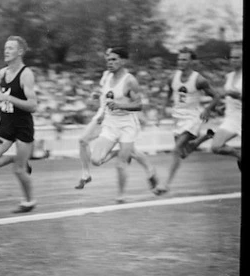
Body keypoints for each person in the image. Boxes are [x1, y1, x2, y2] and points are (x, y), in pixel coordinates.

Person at [75, 69, 160, 191]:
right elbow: (107, 94)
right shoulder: (106, 75)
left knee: (131, 151)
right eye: (108, 57)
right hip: (104, 114)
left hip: (120, 118)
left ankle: (150, 170)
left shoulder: (126, 78)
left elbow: (132, 101)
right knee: (82, 140)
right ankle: (86, 174)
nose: (109, 61)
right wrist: (97, 95)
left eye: (112, 58)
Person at [0, 36, 37, 213]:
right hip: (6, 123)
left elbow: (33, 105)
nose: (6, 51)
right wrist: (0, 106)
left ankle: (29, 201)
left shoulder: (26, 74)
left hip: (22, 125)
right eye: (5, 47)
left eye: (11, 48)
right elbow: (6, 98)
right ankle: (17, 159)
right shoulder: (2, 73)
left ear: (20, 51)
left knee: (19, 171)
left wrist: (7, 98)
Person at [153, 47, 220, 194]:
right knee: (183, 153)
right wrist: (161, 111)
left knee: (176, 149)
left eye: (184, 59)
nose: (180, 62)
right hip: (178, 117)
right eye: (179, 59)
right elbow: (169, 95)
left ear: (191, 61)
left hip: (192, 118)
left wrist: (207, 110)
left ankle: (165, 184)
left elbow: (216, 96)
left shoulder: (199, 79)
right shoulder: (172, 77)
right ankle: (206, 137)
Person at [89, 46, 151, 203]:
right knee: (96, 160)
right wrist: (100, 100)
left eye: (114, 60)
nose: (110, 63)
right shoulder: (107, 78)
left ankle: (121, 195)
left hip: (126, 125)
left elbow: (139, 105)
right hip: (110, 124)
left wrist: (120, 106)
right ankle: (121, 151)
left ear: (123, 61)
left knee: (120, 164)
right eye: (108, 60)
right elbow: (107, 97)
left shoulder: (130, 80)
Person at [210, 43, 242, 170]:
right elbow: (229, 98)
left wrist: (234, 95)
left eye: (237, 58)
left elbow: (233, 95)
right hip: (233, 118)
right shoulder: (229, 76)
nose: (233, 60)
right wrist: (222, 107)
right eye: (231, 57)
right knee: (216, 146)